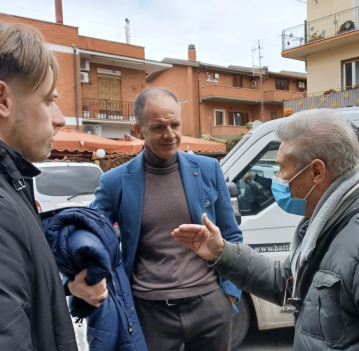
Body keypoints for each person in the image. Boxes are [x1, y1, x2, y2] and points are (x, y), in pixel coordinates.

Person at [172, 109, 359, 351]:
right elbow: (289, 285)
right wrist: (222, 252)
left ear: (316, 171)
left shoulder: (353, 238)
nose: (276, 179)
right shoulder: (322, 224)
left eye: (281, 168)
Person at [89, 87, 242, 351]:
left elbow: (231, 234)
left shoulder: (208, 170)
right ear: (139, 130)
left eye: (175, 124)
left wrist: (229, 294)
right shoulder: (115, 182)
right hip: (148, 312)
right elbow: (90, 232)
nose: (170, 135)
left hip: (211, 306)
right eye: (159, 127)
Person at [0, 21, 106, 350]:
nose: (59, 118)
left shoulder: (14, 183)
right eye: (48, 100)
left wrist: (62, 289)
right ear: (2, 100)